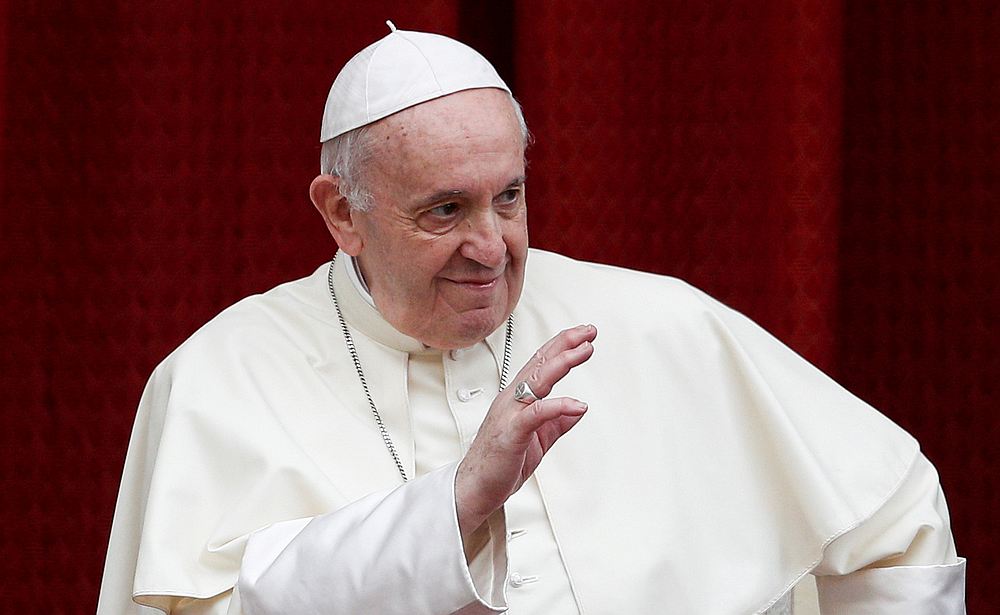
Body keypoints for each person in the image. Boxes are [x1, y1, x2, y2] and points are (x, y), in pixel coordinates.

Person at [98, 24, 966, 614]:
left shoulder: (666, 325)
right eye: (444, 210)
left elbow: (894, 513)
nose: (492, 246)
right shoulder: (218, 377)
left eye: (508, 196)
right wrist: (457, 503)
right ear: (341, 212)